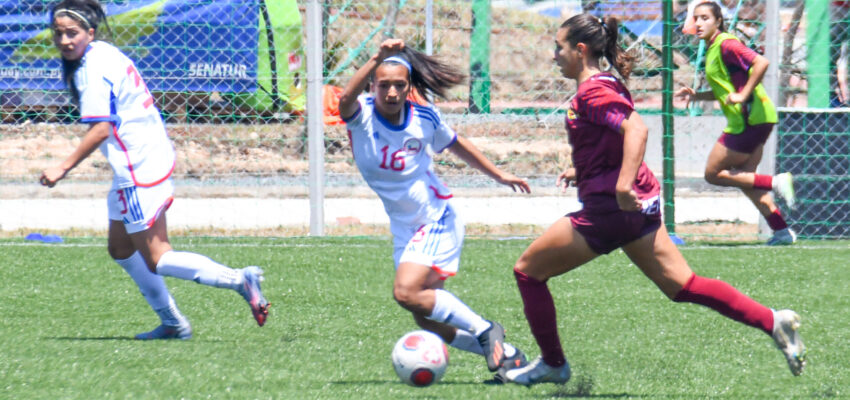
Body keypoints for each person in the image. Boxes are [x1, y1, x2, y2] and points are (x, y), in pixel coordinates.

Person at [502, 14, 806, 386]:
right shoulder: (606, 81)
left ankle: (552, 363)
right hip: (638, 207)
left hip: (612, 210)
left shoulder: (592, 90)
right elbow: (613, 138)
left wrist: (621, 185)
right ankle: (774, 321)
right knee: (684, 285)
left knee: (528, 271)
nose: (554, 56)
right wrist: (586, 171)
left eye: (558, 47)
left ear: (580, 51)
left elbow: (636, 128)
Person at [40, 0, 269, 340]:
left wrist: (63, 166)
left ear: (89, 32)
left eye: (72, 33)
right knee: (120, 248)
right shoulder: (103, 51)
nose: (64, 40)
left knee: (158, 257)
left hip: (137, 166)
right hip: (146, 155)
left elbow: (101, 129)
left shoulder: (91, 69)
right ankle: (174, 324)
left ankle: (238, 279)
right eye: (58, 34)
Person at [338, 39, 531, 377]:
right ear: (373, 86)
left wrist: (498, 174)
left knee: (406, 291)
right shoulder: (362, 117)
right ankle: (508, 355)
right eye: (384, 85)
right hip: (405, 228)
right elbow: (344, 99)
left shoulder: (424, 117)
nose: (393, 93)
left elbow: (458, 145)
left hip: (436, 218)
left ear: (409, 86)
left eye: (400, 85)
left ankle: (487, 331)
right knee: (424, 316)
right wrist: (375, 58)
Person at [676, 1, 797, 246]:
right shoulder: (712, 48)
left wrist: (743, 96)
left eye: (705, 18)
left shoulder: (727, 43)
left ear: (718, 21)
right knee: (745, 179)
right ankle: (782, 232)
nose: (699, 23)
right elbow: (725, 90)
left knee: (713, 173)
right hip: (758, 118)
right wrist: (697, 95)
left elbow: (761, 63)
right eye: (696, 18)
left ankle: (775, 182)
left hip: (749, 119)